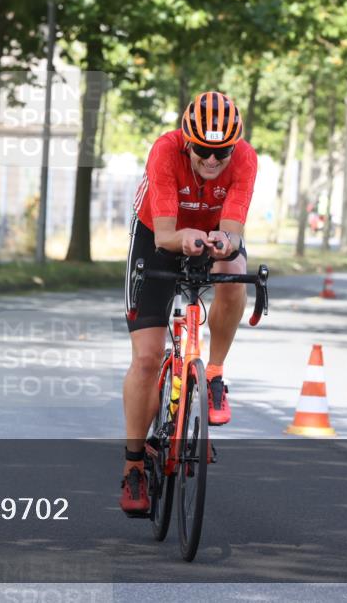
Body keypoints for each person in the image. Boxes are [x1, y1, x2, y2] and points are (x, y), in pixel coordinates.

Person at [120, 91, 257, 516]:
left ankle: (213, 373)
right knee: (146, 359)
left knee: (233, 273)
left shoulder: (246, 160)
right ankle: (135, 464)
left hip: (210, 233)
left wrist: (224, 242)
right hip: (157, 237)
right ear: (186, 141)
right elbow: (164, 235)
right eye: (203, 150)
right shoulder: (164, 151)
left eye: (222, 152)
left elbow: (233, 228)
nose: (213, 161)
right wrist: (185, 238)